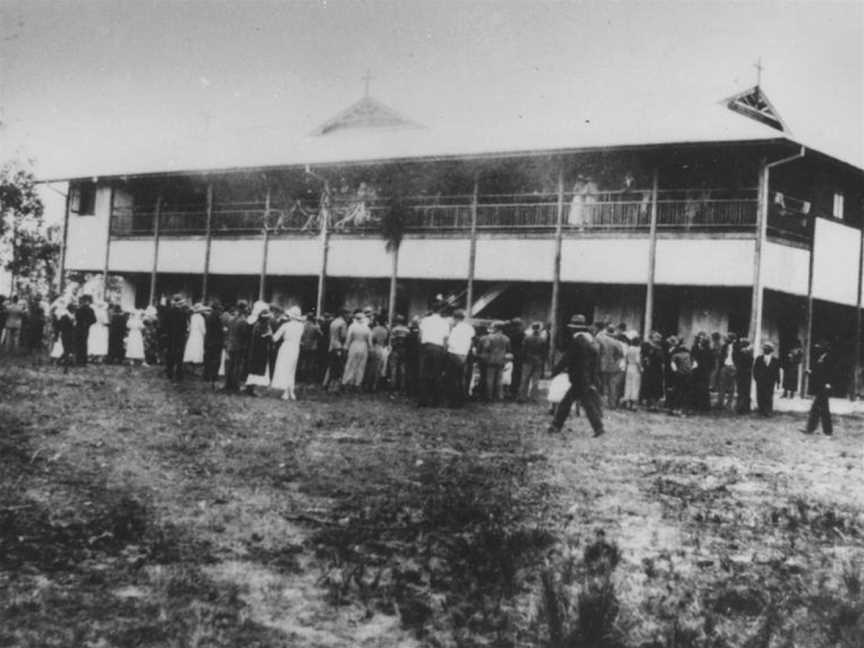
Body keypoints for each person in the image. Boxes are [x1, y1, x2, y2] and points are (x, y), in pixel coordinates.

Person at [547, 314, 604, 436]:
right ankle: (598, 428)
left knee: (569, 403)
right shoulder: (588, 342)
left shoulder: (577, 341)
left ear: (574, 329)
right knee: (583, 404)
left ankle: (556, 426)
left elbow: (566, 359)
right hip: (584, 378)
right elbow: (594, 361)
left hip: (579, 379)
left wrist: (554, 372)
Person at [417, 305, 449, 406]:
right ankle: (436, 401)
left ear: (432, 310)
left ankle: (423, 400)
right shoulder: (445, 322)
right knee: (437, 374)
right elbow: (445, 340)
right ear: (442, 312)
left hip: (426, 347)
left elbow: (420, 336)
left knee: (424, 374)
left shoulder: (425, 320)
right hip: (438, 349)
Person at [271, 306, 305, 400]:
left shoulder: (285, 325)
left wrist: (270, 333)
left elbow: (275, 338)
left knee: (284, 368)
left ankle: (286, 392)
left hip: (286, 347)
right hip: (295, 347)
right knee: (292, 369)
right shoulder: (301, 326)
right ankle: (291, 391)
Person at [445, 309, 475, 407]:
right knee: (462, 378)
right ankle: (462, 400)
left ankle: (453, 401)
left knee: (453, 379)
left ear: (456, 318)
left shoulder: (456, 329)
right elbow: (471, 340)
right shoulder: (470, 328)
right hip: (464, 355)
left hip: (454, 354)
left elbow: (450, 342)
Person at [803, 342, 833, 436]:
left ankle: (826, 431)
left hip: (824, 386)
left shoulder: (828, 359)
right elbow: (818, 372)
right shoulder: (820, 358)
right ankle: (812, 429)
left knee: (820, 408)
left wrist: (829, 383)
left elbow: (831, 372)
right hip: (820, 386)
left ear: (824, 349)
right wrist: (810, 372)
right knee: (819, 408)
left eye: (819, 348)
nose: (817, 349)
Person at [245, 301, 273, 395]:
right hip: (259, 350)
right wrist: (267, 336)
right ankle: (253, 388)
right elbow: (260, 337)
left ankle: (251, 387)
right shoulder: (260, 326)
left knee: (254, 369)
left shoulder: (258, 325)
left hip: (257, 350)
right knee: (256, 370)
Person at [596, 324, 625, 409]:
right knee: (612, 386)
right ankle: (612, 404)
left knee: (599, 384)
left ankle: (597, 403)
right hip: (613, 366)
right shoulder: (616, 342)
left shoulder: (599, 339)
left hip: (601, 365)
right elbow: (620, 354)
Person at [223, 301, 250, 393]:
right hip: (239, 346)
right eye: (246, 307)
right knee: (238, 366)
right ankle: (235, 385)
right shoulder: (243, 321)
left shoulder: (231, 319)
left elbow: (228, 332)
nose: (247, 309)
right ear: (243, 309)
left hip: (231, 345)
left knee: (230, 365)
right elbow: (245, 334)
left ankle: (228, 384)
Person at [518, 322, 548, 402]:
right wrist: (542, 361)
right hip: (538, 361)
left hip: (527, 360)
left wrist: (523, 359)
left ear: (532, 328)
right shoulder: (542, 339)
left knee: (524, 379)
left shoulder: (527, 338)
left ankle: (522, 396)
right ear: (539, 329)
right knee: (536, 380)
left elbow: (523, 350)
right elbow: (544, 352)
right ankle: (533, 397)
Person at [342, 310, 371, 389]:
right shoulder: (367, 328)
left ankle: (347, 381)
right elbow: (369, 341)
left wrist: (345, 347)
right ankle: (357, 383)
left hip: (354, 345)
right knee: (361, 366)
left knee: (351, 364)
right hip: (363, 346)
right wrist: (370, 348)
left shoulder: (352, 327)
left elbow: (348, 339)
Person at [163, 294, 189, 381]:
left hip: (170, 337)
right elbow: (184, 327)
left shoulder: (167, 312)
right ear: (180, 304)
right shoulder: (183, 314)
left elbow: (164, 325)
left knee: (170, 354)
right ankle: (179, 374)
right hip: (179, 337)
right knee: (179, 356)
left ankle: (169, 373)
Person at [323, 309, 349, 392]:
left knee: (331, 366)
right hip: (339, 346)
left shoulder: (333, 322)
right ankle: (335, 387)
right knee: (338, 367)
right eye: (347, 314)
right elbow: (343, 336)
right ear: (343, 314)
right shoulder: (343, 323)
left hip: (332, 345)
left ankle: (326, 383)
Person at [753, 342, 780, 416]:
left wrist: (778, 381)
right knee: (760, 395)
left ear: (771, 350)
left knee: (769, 395)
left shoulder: (775, 360)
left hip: (770, 381)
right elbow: (755, 369)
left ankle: (768, 410)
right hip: (761, 380)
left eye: (768, 348)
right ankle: (761, 410)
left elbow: (777, 371)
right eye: (764, 348)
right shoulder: (759, 359)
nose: (765, 349)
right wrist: (756, 378)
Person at [668, 337, 694, 416]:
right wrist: (690, 369)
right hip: (688, 375)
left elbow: (672, 365)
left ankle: (675, 409)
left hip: (679, 375)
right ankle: (684, 410)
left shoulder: (675, 355)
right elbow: (696, 364)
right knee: (686, 392)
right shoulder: (689, 355)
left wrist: (676, 371)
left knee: (677, 391)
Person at [640, 332, 665, 410]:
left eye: (659, 338)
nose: (658, 339)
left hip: (658, 370)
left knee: (657, 386)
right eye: (656, 337)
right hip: (649, 369)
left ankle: (655, 404)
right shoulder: (646, 345)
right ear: (652, 338)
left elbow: (662, 359)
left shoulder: (660, 347)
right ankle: (649, 404)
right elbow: (643, 356)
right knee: (649, 386)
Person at [690, 331, 714, 412]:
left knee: (704, 388)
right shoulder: (694, 347)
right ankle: (694, 405)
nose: (701, 340)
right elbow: (692, 357)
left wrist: (708, 369)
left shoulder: (708, 349)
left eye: (703, 338)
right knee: (695, 387)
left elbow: (711, 361)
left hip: (704, 372)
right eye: (700, 338)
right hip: (696, 371)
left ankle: (704, 406)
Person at [203, 301, 224, 385]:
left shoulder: (208, 317)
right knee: (215, 360)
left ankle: (206, 375)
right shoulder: (217, 317)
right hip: (216, 342)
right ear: (216, 309)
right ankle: (214, 376)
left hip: (208, 340)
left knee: (208, 359)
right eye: (219, 309)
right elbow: (218, 330)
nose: (220, 311)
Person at [365, 316, 389, 392]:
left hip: (374, 347)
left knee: (370, 368)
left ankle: (368, 385)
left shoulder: (375, 329)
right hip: (381, 348)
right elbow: (386, 341)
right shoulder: (385, 330)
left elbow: (372, 338)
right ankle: (374, 386)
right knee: (378, 369)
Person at [388, 314, 410, 392]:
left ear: (397, 321)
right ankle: (402, 386)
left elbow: (391, 340)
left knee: (393, 368)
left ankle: (392, 386)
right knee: (402, 369)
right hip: (404, 350)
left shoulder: (394, 329)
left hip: (396, 350)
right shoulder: (407, 330)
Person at [716, 333, 738, 410]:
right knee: (722, 385)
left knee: (732, 387)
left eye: (728, 338)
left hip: (733, 367)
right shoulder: (724, 347)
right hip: (725, 366)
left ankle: (729, 404)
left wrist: (736, 367)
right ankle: (720, 403)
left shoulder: (737, 347)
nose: (726, 339)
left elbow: (739, 358)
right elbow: (721, 356)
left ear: (732, 339)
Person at [299, 313, 322, 383]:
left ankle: (302, 377)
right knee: (310, 363)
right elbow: (321, 334)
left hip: (303, 345)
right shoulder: (315, 327)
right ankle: (308, 378)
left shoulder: (303, 326)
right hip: (312, 346)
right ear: (313, 319)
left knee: (303, 362)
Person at [733, 337, 754, 414]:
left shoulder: (746, 353)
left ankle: (742, 408)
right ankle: (742, 407)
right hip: (744, 374)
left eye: (742, 343)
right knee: (743, 391)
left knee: (743, 391)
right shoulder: (747, 353)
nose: (740, 344)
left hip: (744, 374)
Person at [75, 295, 97, 365]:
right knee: (82, 344)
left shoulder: (81, 309)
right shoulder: (89, 310)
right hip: (83, 328)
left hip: (81, 328)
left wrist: (87, 323)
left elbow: (93, 320)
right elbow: (94, 320)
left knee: (81, 344)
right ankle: (82, 361)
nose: (85, 303)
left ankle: (81, 360)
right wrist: (88, 323)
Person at [622, 333, 642, 410]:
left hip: (629, 366)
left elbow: (626, 358)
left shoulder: (629, 348)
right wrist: (640, 368)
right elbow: (637, 361)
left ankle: (627, 401)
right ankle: (633, 403)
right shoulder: (638, 350)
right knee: (635, 385)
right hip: (635, 367)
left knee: (628, 384)